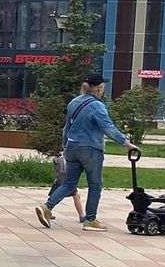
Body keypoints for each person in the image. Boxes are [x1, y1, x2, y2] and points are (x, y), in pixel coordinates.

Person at [36, 73, 140, 233]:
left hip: (72, 147)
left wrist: (65, 144)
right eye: (103, 86)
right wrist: (126, 144)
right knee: (95, 184)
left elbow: (67, 127)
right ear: (99, 88)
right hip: (91, 148)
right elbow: (108, 127)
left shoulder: (74, 102)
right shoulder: (97, 106)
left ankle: (47, 207)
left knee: (70, 183)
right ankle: (90, 219)